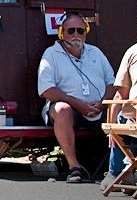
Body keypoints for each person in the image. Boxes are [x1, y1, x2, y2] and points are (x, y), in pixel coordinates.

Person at [37, 11, 116, 183]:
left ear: (85, 33)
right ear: (61, 33)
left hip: (98, 109)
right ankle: (74, 167)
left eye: (80, 31)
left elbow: (112, 83)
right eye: (70, 30)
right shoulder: (51, 54)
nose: (75, 35)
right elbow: (46, 89)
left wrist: (103, 104)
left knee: (120, 107)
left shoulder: (96, 53)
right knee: (62, 109)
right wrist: (78, 105)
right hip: (70, 110)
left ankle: (121, 167)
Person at [100, 12, 137, 191]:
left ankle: (117, 174)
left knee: (123, 116)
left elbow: (120, 96)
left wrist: (111, 127)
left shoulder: (135, 50)